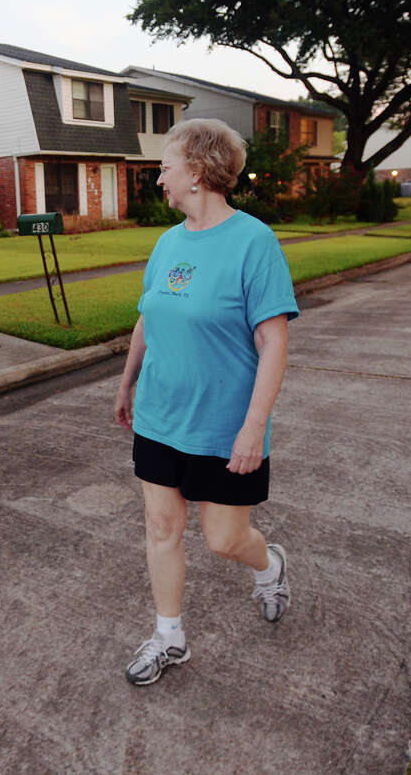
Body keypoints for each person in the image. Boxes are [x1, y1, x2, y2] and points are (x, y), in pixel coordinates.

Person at [114, 118, 299, 686]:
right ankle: (169, 635)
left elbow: (273, 342)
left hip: (224, 425)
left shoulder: (254, 241)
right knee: (161, 528)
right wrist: (126, 383)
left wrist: (253, 427)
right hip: (159, 415)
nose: (160, 179)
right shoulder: (168, 242)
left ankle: (269, 566)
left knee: (224, 541)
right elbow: (149, 315)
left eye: (165, 168)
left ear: (196, 171)